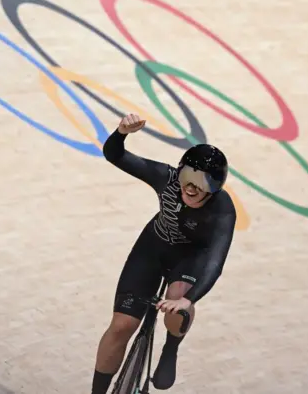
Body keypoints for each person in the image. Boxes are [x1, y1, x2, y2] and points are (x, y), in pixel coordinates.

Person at [91, 114, 237, 393]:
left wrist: (188, 301)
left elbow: (215, 263)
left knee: (176, 300)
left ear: (215, 189)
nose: (191, 187)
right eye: (186, 177)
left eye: (201, 183)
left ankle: (171, 347)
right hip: (154, 247)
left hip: (190, 259)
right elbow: (115, 155)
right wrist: (121, 132)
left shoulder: (222, 211)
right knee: (121, 326)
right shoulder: (166, 178)